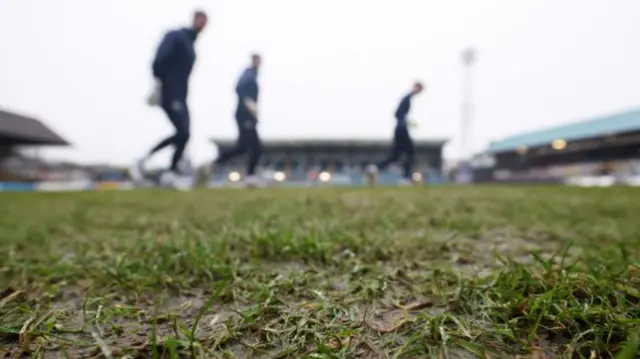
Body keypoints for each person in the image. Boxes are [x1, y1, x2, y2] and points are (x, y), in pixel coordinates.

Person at [130, 11, 208, 190]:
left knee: (185, 134)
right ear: (195, 19)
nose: (203, 25)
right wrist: (160, 84)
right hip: (170, 92)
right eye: (201, 21)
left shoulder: (191, 45)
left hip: (181, 94)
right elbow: (158, 60)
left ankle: (171, 172)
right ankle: (143, 161)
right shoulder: (177, 36)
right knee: (182, 132)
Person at [212, 54, 264, 187]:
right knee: (255, 147)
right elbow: (239, 88)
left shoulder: (254, 75)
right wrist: (248, 102)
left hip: (249, 116)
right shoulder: (248, 74)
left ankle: (215, 163)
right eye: (257, 60)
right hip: (244, 114)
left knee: (243, 147)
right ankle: (250, 176)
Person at [368, 82, 424, 186]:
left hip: (399, 129)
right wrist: (403, 123)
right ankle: (406, 178)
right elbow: (398, 114)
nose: (419, 91)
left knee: (395, 156)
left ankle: (374, 168)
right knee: (410, 153)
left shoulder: (407, 98)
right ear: (415, 87)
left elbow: (397, 114)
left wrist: (405, 122)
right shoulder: (407, 99)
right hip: (402, 130)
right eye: (418, 89)